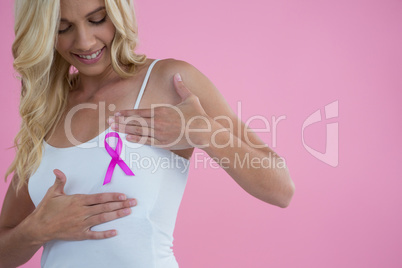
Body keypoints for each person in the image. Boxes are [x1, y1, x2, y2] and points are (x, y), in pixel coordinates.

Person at [0, 0, 295, 267]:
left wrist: (203, 132)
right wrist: (35, 230)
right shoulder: (47, 105)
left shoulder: (168, 81)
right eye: (63, 28)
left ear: (117, 14)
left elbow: (281, 189)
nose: (85, 41)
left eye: (97, 20)